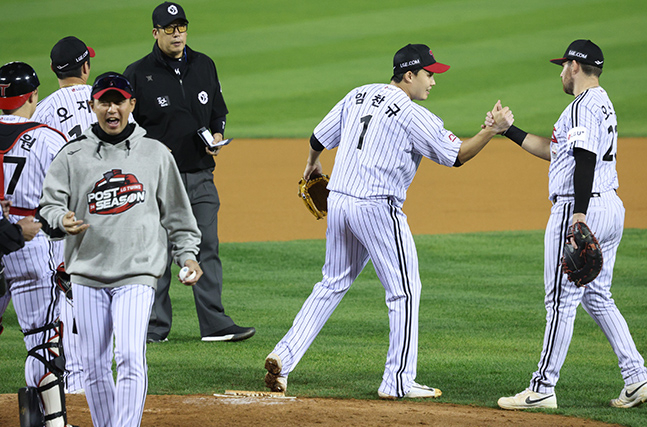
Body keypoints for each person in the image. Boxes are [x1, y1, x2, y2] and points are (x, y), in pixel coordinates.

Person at [263, 43, 513, 399]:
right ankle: (397, 380)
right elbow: (458, 156)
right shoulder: (413, 115)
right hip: (377, 209)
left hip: (341, 205)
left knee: (331, 283)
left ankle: (283, 358)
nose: (433, 82)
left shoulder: (358, 95)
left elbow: (318, 137)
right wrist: (492, 130)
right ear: (409, 75)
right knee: (405, 292)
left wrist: (312, 164)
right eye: (429, 74)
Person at [39, 72, 203, 427]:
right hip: (86, 274)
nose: (112, 109)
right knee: (94, 365)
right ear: (92, 105)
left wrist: (187, 255)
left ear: (132, 105)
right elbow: (48, 205)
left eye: (119, 101)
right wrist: (60, 218)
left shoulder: (155, 154)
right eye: (104, 102)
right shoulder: (73, 155)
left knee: (129, 355)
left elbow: (178, 214)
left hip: (137, 272)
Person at [496, 39, 647, 410]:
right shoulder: (602, 103)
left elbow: (583, 158)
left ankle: (542, 387)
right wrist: (509, 130)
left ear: (575, 67)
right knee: (597, 296)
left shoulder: (581, 107)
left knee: (560, 301)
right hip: (610, 205)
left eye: (564, 66)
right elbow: (557, 151)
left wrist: (578, 214)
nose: (562, 72)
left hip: (581, 208)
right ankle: (637, 377)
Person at [123, 1, 254, 343]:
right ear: (155, 33)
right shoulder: (137, 73)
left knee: (207, 244)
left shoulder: (204, 65)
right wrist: (150, 147)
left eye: (181, 27)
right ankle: (153, 327)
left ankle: (214, 324)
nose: (177, 34)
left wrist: (218, 136)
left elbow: (217, 112)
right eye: (169, 28)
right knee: (159, 249)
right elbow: (125, 125)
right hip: (157, 179)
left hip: (200, 174)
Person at [0, 61, 72, 426]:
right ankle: (55, 424)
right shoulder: (48, 138)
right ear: (32, 96)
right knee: (43, 342)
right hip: (31, 247)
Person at [32, 35, 98, 395]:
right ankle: (100, 377)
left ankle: (72, 381)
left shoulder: (40, 110)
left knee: (65, 297)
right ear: (85, 66)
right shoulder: (107, 99)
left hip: (62, 217)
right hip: (107, 213)